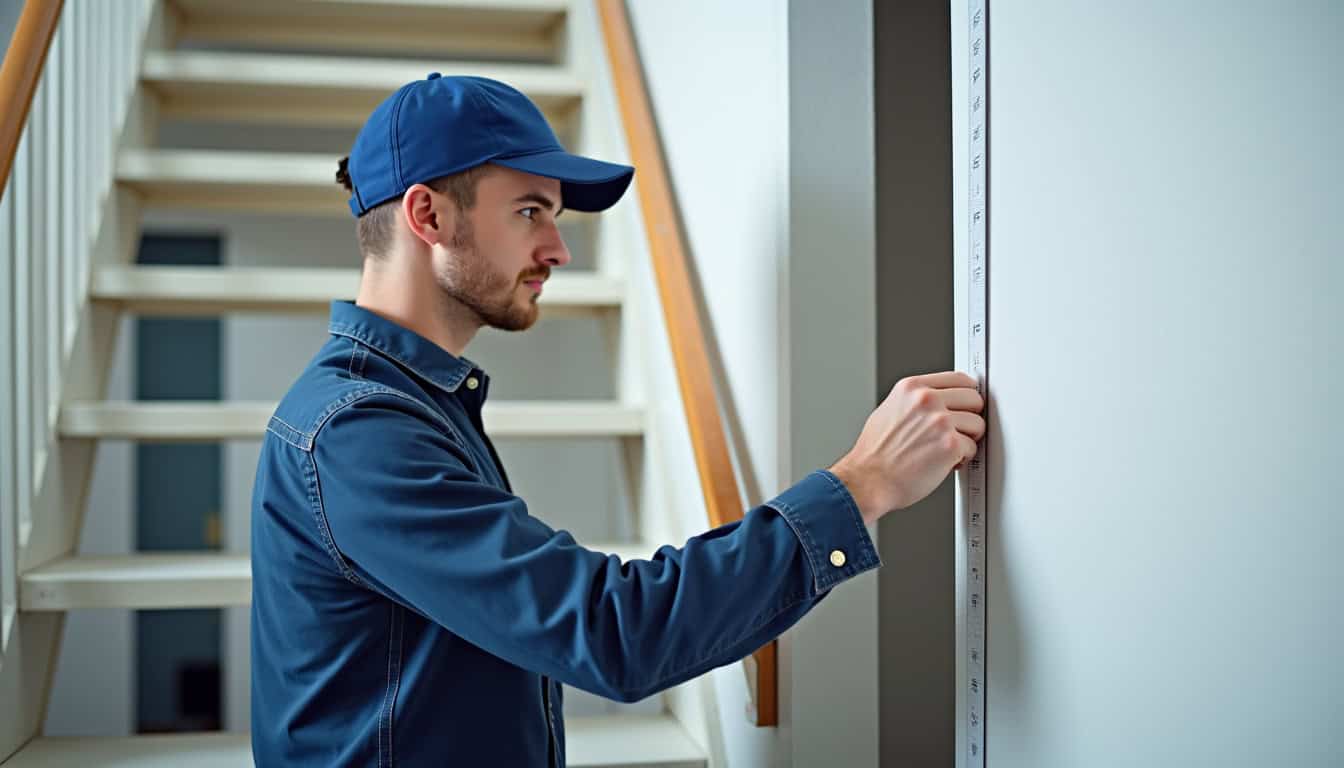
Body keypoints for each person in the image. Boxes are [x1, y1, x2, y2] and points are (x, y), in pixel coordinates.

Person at [249, 73, 986, 766]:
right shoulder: (359, 432)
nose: (559, 249)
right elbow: (610, 633)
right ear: (428, 215)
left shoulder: (412, 402)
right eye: (530, 210)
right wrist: (862, 484)